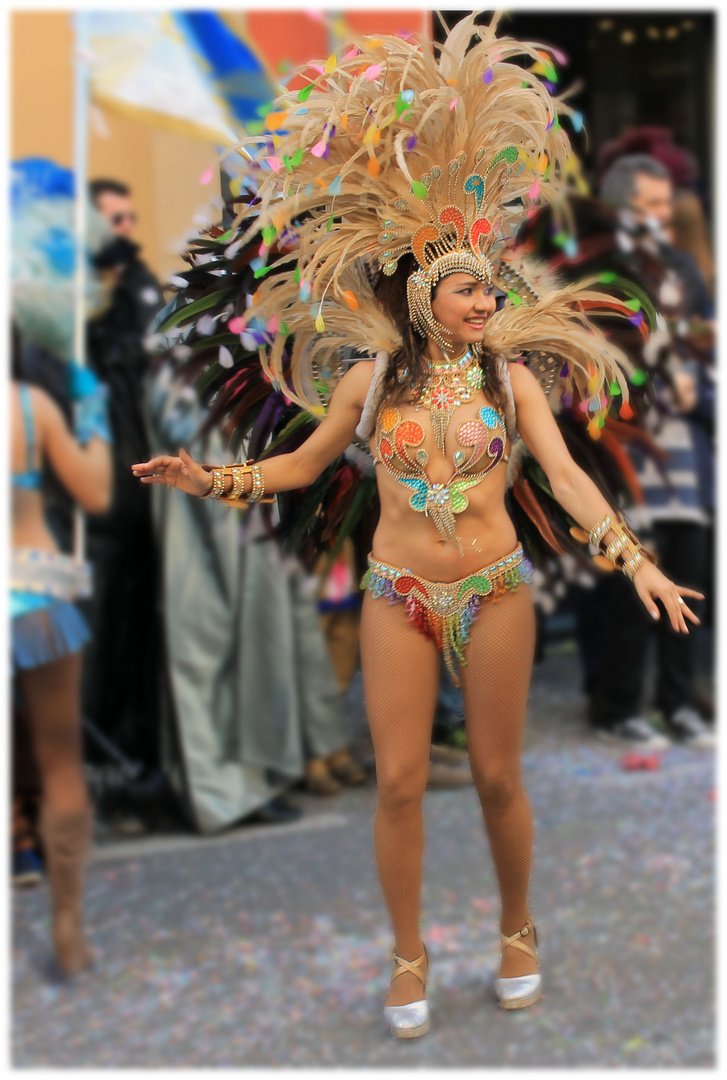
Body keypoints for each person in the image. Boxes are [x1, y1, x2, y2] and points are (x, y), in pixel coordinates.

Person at [132, 15, 702, 1037]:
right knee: (396, 785)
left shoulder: (515, 380)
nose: (485, 299)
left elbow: (568, 482)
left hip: (495, 589)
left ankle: (517, 929)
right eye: (466, 287)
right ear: (427, 297)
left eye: (491, 285)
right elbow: (304, 468)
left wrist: (636, 563)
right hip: (398, 592)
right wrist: (208, 479)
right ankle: (408, 955)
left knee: (494, 777)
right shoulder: (366, 377)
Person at [10, 323, 113, 975]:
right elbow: (96, 492)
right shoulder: (29, 405)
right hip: (34, 584)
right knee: (60, 760)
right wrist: (93, 417)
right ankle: (68, 929)